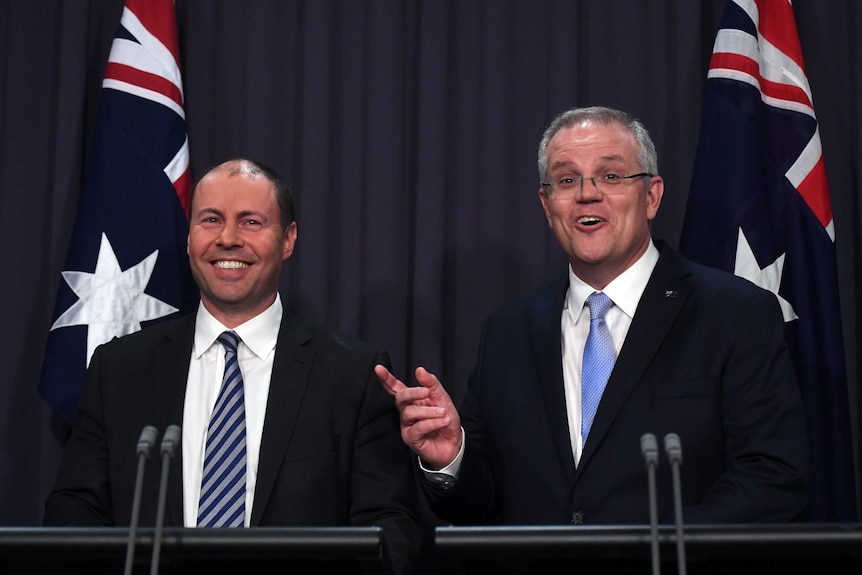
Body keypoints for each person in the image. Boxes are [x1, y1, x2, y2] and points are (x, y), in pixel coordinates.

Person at [376, 106, 809, 526]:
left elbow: (771, 477)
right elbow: (482, 504)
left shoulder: (734, 312)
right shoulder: (508, 332)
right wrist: (453, 457)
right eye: (567, 179)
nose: (588, 193)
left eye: (611, 175)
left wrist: (643, 551)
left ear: (652, 195)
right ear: (547, 206)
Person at [45, 158, 422, 575]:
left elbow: (390, 531)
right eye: (210, 219)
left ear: (288, 239)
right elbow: (74, 513)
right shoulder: (118, 370)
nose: (227, 239)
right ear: (189, 238)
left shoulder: (352, 375)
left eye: (250, 223)